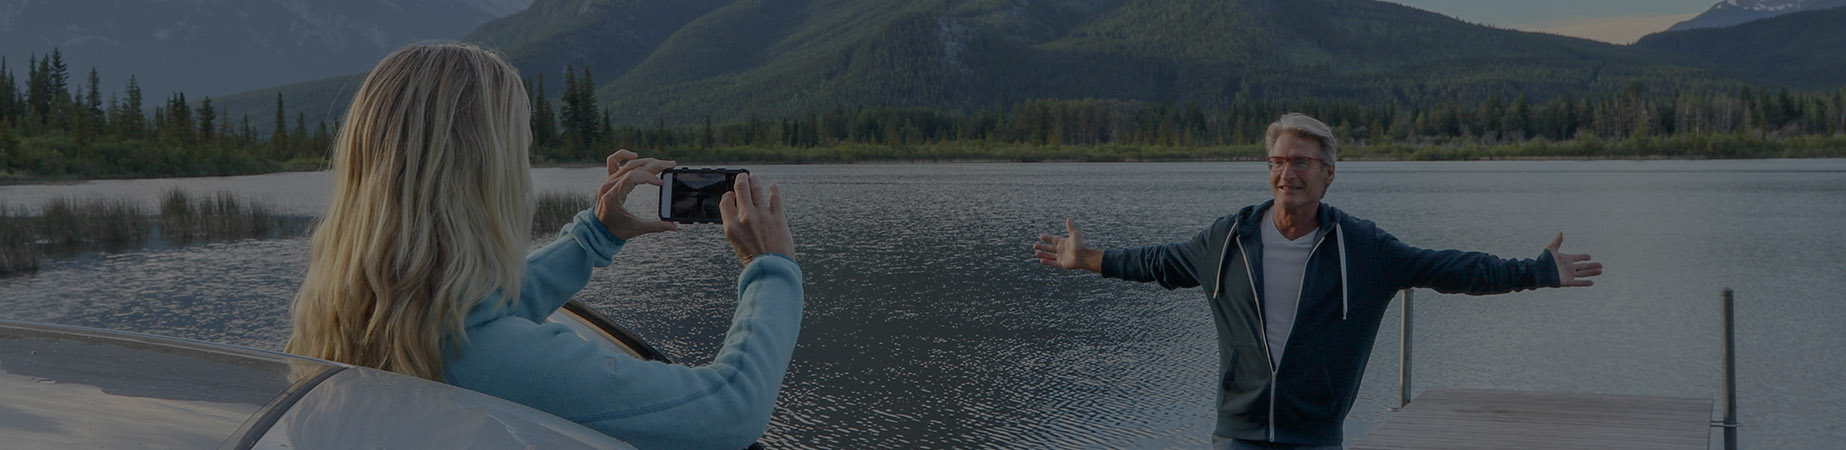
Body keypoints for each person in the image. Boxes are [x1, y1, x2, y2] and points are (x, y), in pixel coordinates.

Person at [285, 42, 803, 450]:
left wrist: (595, 236)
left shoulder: (345, 318)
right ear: (484, 179)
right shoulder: (479, 358)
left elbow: (473, 311)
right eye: (519, 154)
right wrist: (770, 267)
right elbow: (730, 410)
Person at [1032, 113, 1602, 449]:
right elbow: (1157, 262)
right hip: (1237, 435)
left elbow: (1448, 268)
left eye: (1302, 162)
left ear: (1328, 174)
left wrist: (1536, 271)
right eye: (1280, 161)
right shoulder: (1227, 239)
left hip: (1316, 438)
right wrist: (1088, 259)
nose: (1289, 172)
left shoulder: (1364, 247)